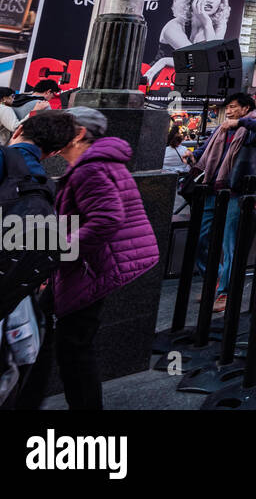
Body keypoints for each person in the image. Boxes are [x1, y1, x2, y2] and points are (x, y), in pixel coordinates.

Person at [48, 107, 160, 409]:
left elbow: (107, 218)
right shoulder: (93, 162)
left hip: (93, 266)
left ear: (79, 133)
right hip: (96, 262)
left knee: (74, 348)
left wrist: (59, 249)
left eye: (60, 128)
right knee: (74, 346)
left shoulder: (90, 168)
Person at [194, 91, 256, 310]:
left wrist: (240, 123)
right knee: (200, 239)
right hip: (211, 189)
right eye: (228, 108)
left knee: (229, 242)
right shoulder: (221, 128)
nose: (230, 111)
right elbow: (205, 151)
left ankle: (225, 290)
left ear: (245, 109)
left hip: (235, 192)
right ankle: (215, 279)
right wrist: (193, 156)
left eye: (234, 107)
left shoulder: (251, 127)